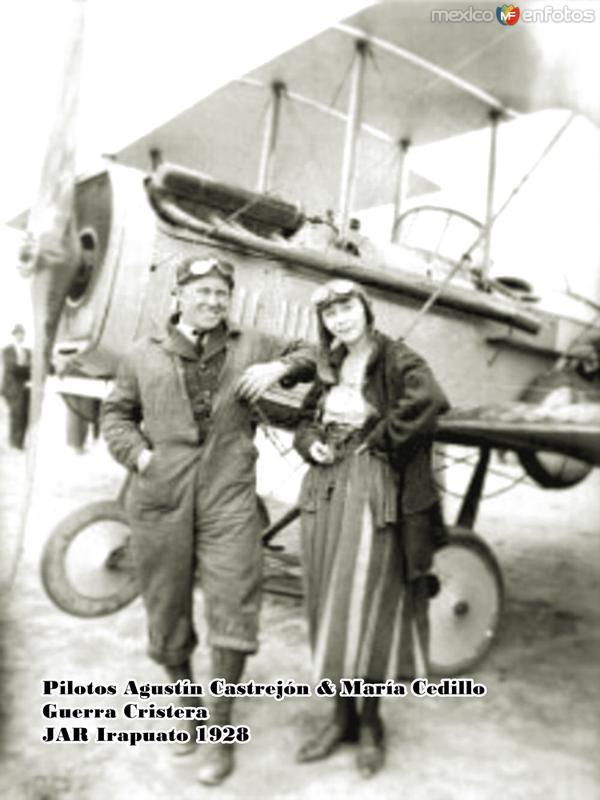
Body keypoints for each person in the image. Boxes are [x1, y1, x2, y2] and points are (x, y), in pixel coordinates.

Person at [101, 256, 314, 785]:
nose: (213, 302)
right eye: (202, 293)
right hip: (160, 497)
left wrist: (279, 368)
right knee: (166, 612)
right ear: (178, 298)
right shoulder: (141, 354)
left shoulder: (251, 344)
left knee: (235, 605)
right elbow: (116, 414)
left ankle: (222, 734)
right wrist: (140, 457)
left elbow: (313, 350)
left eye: (221, 293)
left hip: (229, 497)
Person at [293, 279, 450, 778]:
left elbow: (428, 400)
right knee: (326, 601)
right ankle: (340, 719)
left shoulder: (396, 357)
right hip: (323, 487)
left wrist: (378, 438)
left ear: (365, 309)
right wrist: (310, 441)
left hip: (370, 486)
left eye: (347, 308)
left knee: (366, 603)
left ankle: (371, 724)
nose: (340, 319)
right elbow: (302, 420)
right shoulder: (329, 364)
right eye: (331, 314)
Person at [1, 324, 31, 450]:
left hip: (25, 388)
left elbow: (32, 369)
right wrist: (26, 368)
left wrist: (24, 367)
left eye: (22, 333)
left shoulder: (28, 352)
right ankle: (14, 443)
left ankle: (20, 442)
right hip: (12, 389)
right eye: (18, 334)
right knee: (16, 414)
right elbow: (12, 368)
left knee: (25, 415)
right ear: (13, 335)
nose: (20, 336)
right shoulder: (6, 351)